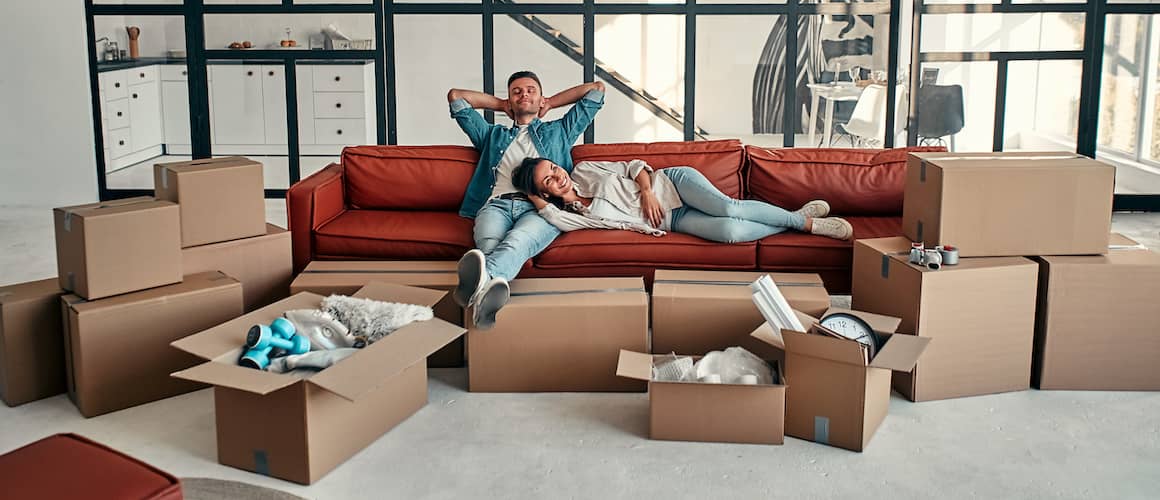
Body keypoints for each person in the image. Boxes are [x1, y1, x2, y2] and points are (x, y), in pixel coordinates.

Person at [447, 71, 605, 329]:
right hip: (496, 205)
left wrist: (551, 103)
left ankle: (483, 282)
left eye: (531, 90)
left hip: (540, 208)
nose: (524, 95)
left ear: (540, 98)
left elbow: (596, 90)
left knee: (515, 243)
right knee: (488, 246)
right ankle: (486, 298)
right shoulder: (491, 135)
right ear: (509, 101)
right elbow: (456, 98)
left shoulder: (560, 131)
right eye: (517, 92)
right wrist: (500, 105)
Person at [510, 157, 854, 243]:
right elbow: (552, 219)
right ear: (544, 192)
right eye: (549, 180)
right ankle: (792, 217)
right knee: (731, 234)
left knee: (729, 208)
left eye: (554, 168)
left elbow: (634, 166)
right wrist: (531, 194)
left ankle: (807, 223)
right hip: (670, 221)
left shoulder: (585, 168)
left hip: (671, 185)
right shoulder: (575, 214)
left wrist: (645, 191)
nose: (559, 175)